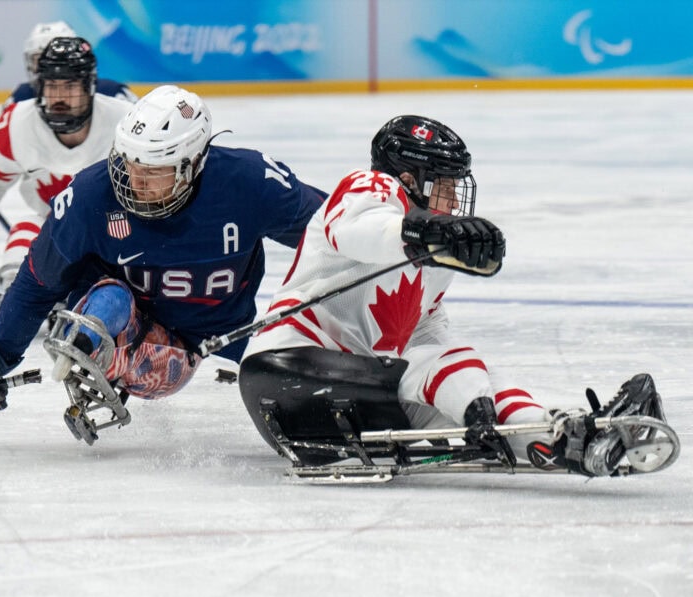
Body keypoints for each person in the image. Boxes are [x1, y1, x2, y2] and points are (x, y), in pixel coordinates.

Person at [237, 114, 671, 477]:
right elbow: (361, 231)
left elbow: (427, 337)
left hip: (360, 392)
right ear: (410, 179)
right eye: (445, 183)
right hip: (290, 371)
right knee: (447, 378)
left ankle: (567, 438)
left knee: (476, 386)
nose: (453, 195)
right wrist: (426, 234)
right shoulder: (368, 188)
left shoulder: (434, 260)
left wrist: (477, 397)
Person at [0, 85, 328, 435]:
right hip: (131, 329)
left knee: (309, 369)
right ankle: (95, 348)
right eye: (129, 165)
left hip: (219, 335)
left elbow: (333, 231)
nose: (133, 182)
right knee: (108, 300)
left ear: (193, 164)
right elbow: (38, 282)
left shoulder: (250, 182)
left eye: (153, 172)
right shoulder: (91, 196)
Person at [0, 36, 133, 289]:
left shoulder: (125, 122)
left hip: (114, 232)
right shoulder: (17, 124)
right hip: (49, 226)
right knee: (16, 268)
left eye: (70, 86)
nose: (59, 96)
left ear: (89, 87)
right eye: (52, 86)